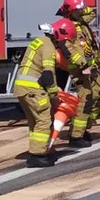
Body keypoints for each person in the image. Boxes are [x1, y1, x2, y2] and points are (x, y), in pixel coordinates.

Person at [13, 18, 78, 168]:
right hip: (32, 89)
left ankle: (41, 149)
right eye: (65, 41)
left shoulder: (40, 41)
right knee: (44, 119)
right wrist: (54, 95)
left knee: (35, 122)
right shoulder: (49, 47)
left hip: (22, 88)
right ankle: (37, 156)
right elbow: (48, 75)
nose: (64, 44)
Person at [57, 0, 100, 146]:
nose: (81, 12)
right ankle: (76, 136)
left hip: (91, 68)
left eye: (80, 11)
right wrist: (84, 66)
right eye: (77, 11)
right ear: (70, 11)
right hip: (80, 70)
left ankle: (84, 127)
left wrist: (99, 63)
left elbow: (92, 13)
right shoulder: (67, 27)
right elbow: (72, 51)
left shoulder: (81, 21)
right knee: (85, 100)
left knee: (99, 96)